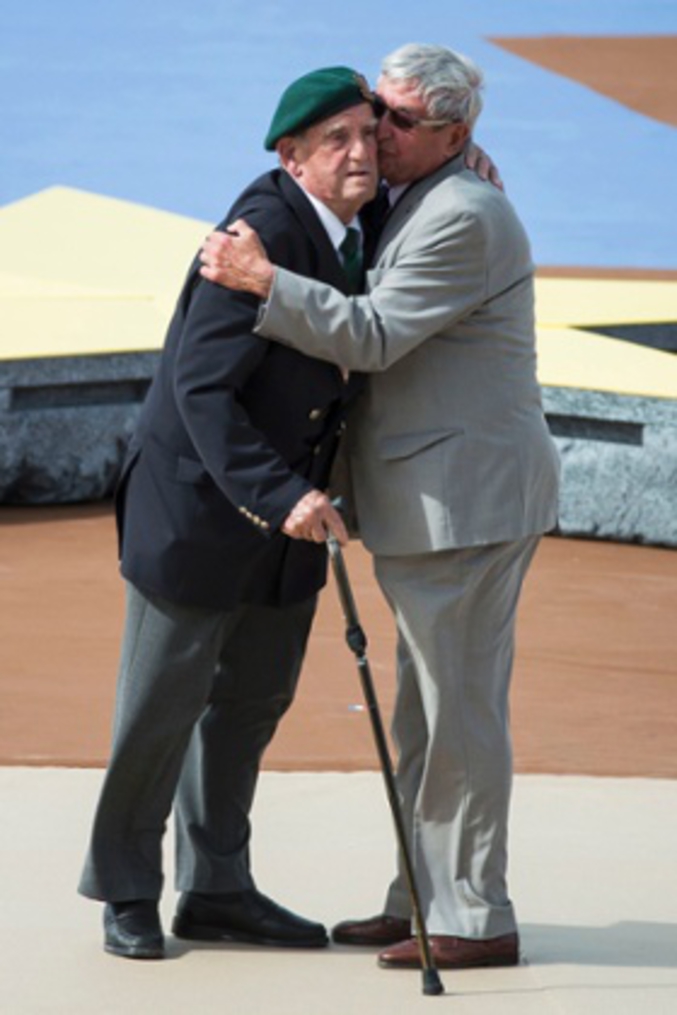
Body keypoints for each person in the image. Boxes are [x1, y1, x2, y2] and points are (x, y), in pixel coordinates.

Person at [199, 43, 561, 972]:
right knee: (424, 716)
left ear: (451, 132)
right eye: (370, 112)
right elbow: (347, 180)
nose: (375, 134)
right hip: (432, 501)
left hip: (464, 506)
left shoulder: (464, 216)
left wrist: (262, 281)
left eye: (396, 121)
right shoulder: (429, 189)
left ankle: (474, 916)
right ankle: (420, 897)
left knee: (460, 717)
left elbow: (375, 334)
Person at [78, 66, 380, 960]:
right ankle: (127, 887)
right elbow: (199, 390)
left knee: (250, 701)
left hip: (286, 519)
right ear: (292, 155)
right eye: (339, 140)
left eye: (370, 132)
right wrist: (283, 494)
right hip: (203, 512)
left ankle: (215, 889)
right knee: (161, 705)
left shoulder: (354, 220)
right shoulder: (257, 231)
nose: (361, 152)